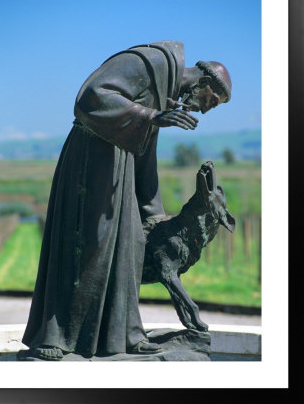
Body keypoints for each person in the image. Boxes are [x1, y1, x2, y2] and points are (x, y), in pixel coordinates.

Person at [21, 40, 232, 360]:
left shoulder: (165, 93)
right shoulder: (150, 61)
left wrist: (154, 217)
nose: (205, 108)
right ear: (203, 83)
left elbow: (145, 158)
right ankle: (56, 336)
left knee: (133, 243)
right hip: (91, 163)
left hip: (119, 169)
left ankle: (126, 336)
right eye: (211, 101)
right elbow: (90, 96)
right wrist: (150, 115)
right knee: (86, 244)